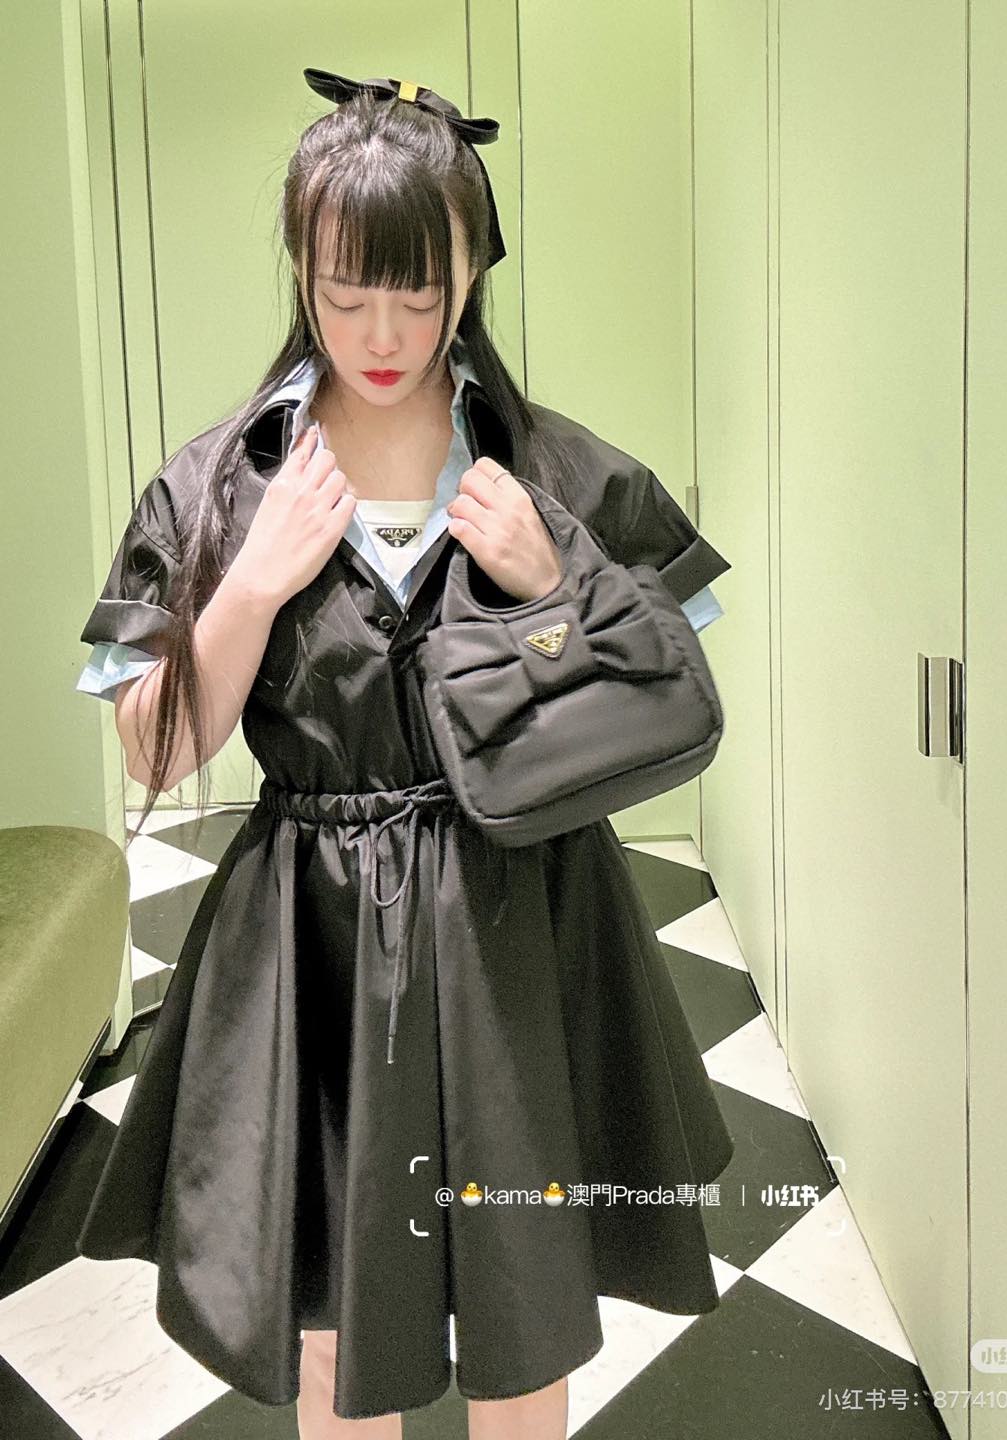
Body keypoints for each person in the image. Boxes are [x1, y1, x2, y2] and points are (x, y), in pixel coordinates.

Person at [73, 72, 736, 1439]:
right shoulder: (217, 486)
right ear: (303, 272)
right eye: (346, 292)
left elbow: (673, 691)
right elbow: (159, 752)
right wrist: (253, 584)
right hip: (311, 937)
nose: (383, 335)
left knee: (527, 1319)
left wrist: (559, 585)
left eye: (420, 295)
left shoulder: (558, 473)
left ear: (470, 274)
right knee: (332, 1323)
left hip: (527, 924)